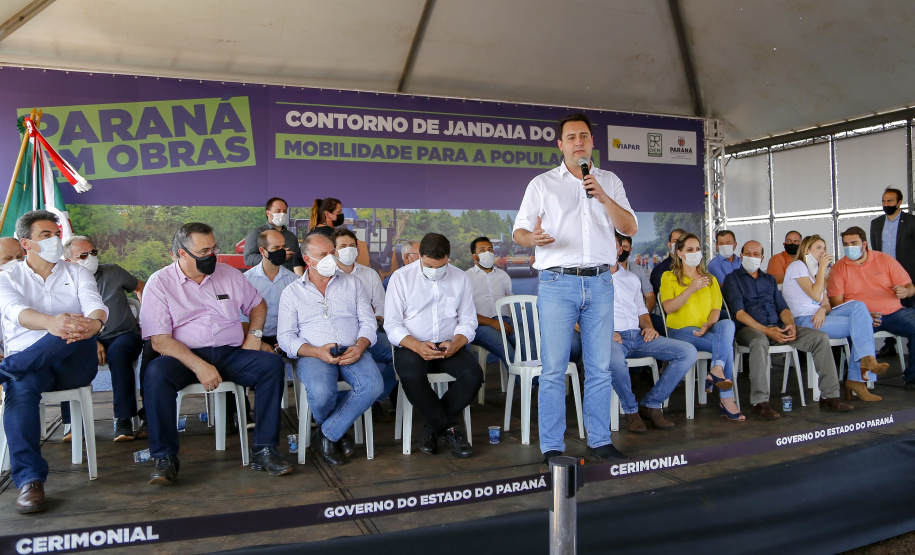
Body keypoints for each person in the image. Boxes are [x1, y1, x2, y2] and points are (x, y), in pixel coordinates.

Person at [513, 113, 637, 463]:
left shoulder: (609, 181)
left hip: (600, 282)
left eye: (584, 136)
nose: (578, 142)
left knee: (598, 368)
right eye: (571, 137)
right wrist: (531, 237)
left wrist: (602, 197)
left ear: (592, 143)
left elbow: (629, 226)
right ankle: (552, 446)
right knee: (553, 368)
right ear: (560, 144)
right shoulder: (542, 184)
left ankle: (599, 440)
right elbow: (519, 231)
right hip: (557, 282)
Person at [141, 222, 292, 485]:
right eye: (204, 251)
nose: (212, 256)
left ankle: (264, 449)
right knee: (155, 374)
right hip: (184, 357)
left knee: (271, 365)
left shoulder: (229, 274)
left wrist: (254, 337)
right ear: (181, 253)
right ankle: (164, 457)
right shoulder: (160, 282)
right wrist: (199, 366)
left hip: (231, 352)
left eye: (214, 249)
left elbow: (258, 304)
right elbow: (160, 341)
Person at [0, 210, 108, 513]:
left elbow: (95, 307)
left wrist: (94, 325)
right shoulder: (7, 276)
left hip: (74, 364)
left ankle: (3, 372)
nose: (55, 240)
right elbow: (14, 311)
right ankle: (30, 481)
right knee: (21, 388)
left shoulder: (77, 272)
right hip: (30, 368)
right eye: (45, 235)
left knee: (72, 327)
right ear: (27, 244)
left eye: (56, 234)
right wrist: (51, 323)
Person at [278, 233, 382, 465]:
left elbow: (368, 321)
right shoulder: (292, 292)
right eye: (323, 255)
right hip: (314, 354)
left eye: (332, 253)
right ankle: (338, 433)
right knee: (322, 391)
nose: (331, 259)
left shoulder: (352, 283)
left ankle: (326, 434)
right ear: (307, 260)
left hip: (353, 349)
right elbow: (285, 337)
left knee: (372, 386)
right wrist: (315, 351)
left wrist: (360, 345)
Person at [723, 240, 853, 419]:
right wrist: (766, 330)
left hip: (778, 327)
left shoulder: (768, 279)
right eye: (747, 253)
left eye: (755, 254)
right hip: (750, 329)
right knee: (759, 341)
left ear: (762, 258)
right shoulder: (732, 279)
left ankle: (829, 396)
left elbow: (783, 307)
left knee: (819, 338)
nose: (751, 257)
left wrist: (790, 324)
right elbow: (739, 313)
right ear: (741, 256)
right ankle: (760, 402)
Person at [384, 233, 482, 458]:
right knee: (411, 376)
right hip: (412, 345)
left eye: (441, 265)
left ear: (448, 257)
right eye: (428, 265)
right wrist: (416, 346)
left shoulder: (460, 277)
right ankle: (451, 430)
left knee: (474, 375)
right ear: (419, 256)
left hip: (449, 345)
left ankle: (432, 428)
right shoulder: (401, 278)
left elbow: (468, 320)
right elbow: (392, 324)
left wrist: (458, 341)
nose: (435, 270)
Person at [782, 234, 889, 401]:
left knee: (859, 306)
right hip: (803, 320)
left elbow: (825, 305)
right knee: (864, 322)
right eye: (818, 247)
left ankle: (865, 364)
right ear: (807, 249)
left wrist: (821, 311)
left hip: (819, 317)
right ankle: (859, 375)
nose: (823, 251)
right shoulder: (798, 266)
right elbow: (816, 295)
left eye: (824, 248)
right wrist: (823, 268)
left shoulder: (815, 271)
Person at [608, 235, 697, 432]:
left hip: (638, 336)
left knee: (688, 351)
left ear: (619, 250)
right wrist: (604, 333)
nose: (609, 249)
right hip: (613, 339)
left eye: (613, 246)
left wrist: (648, 327)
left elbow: (641, 310)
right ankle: (631, 411)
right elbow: (578, 318)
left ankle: (651, 404)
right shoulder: (590, 280)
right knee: (613, 360)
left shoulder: (631, 278)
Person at [63, 235, 145, 442]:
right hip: (85, 337)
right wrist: (92, 340)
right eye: (83, 255)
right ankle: (73, 423)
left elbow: (141, 287)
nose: (90, 258)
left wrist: (147, 316)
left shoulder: (113, 272)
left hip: (123, 335)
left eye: (93, 253)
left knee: (119, 354)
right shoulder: (62, 281)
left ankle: (124, 419)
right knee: (65, 356)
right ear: (68, 260)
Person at [659, 233, 744, 421]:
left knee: (728, 323)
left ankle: (717, 370)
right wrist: (691, 289)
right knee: (726, 347)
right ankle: (726, 398)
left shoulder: (710, 279)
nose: (695, 253)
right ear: (679, 253)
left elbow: (716, 308)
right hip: (680, 332)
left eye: (697, 249)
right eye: (690, 250)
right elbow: (668, 307)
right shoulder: (669, 277)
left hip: (706, 330)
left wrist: (709, 324)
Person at [827, 226, 915, 387]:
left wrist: (905, 291)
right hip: (861, 317)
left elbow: (910, 287)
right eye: (845, 244)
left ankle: (913, 377)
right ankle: (857, 380)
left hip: (894, 312)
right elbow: (836, 304)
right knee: (853, 329)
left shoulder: (885, 260)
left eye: (854, 243)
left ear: (864, 244)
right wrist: (863, 315)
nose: (849, 248)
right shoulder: (839, 268)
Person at [332, 228, 397, 422]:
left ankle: (371, 399)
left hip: (370, 336)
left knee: (401, 354)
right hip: (340, 340)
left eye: (352, 246)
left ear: (358, 249)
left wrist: (377, 321)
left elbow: (382, 304)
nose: (348, 250)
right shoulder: (326, 275)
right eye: (343, 246)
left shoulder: (369, 274)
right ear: (333, 250)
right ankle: (352, 405)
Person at [241, 230, 299, 352]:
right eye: (276, 247)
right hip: (252, 338)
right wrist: (258, 342)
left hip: (285, 339)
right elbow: (240, 318)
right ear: (262, 251)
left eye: (283, 247)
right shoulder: (245, 280)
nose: (281, 251)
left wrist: (288, 340)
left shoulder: (294, 281)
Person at [466, 236, 516, 366]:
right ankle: (530, 383)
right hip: (480, 325)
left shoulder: (503, 275)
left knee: (527, 344)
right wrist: (493, 323)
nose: (487, 253)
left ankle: (534, 380)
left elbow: (511, 301)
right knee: (507, 349)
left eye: (490, 250)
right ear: (474, 256)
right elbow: (464, 312)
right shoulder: (466, 278)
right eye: (482, 250)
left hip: (505, 321)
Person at [871, 187, 915, 309]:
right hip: (885, 276)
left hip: (909, 274)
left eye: (890, 201)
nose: (886, 204)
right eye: (884, 201)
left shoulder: (911, 221)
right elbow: (875, 250)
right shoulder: (876, 223)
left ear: (899, 202)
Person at [243, 197, 306, 276]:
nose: (282, 214)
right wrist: (275, 256)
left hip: (288, 281)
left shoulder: (291, 236)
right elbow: (248, 259)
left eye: (285, 211)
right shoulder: (257, 233)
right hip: (264, 280)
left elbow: (297, 260)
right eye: (278, 211)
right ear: (268, 213)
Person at [650, 228, 685, 296]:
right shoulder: (659, 271)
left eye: (682, 241)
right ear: (669, 245)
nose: (679, 244)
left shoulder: (693, 268)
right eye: (676, 241)